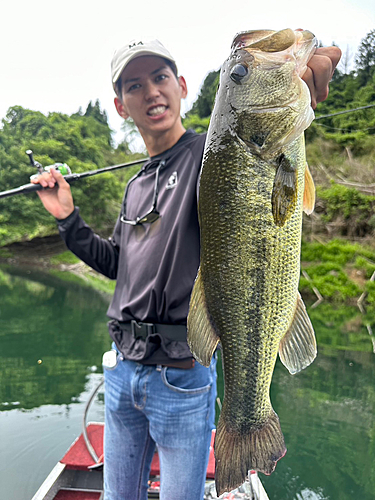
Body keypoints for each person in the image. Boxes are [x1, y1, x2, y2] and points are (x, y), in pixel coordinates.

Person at [32, 36, 341, 500]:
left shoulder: (211, 154)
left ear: (180, 85)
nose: (151, 92)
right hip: (121, 372)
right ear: (121, 105)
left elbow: (263, 144)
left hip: (182, 376)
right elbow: (118, 264)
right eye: (135, 85)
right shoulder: (136, 185)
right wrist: (67, 219)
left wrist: (300, 87)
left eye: (159, 78)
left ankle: (248, 419)